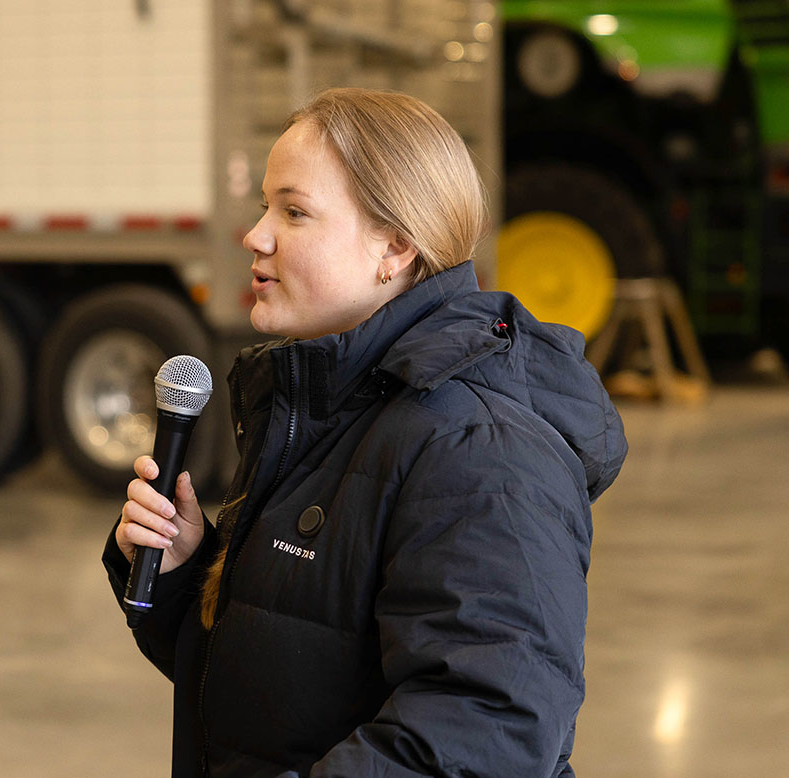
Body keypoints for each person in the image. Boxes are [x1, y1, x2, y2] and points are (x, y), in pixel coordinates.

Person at [102, 87, 627, 778]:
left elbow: (484, 735)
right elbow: (271, 696)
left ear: (395, 247)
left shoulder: (481, 449)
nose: (256, 235)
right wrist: (185, 575)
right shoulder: (328, 412)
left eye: (293, 212)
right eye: (265, 207)